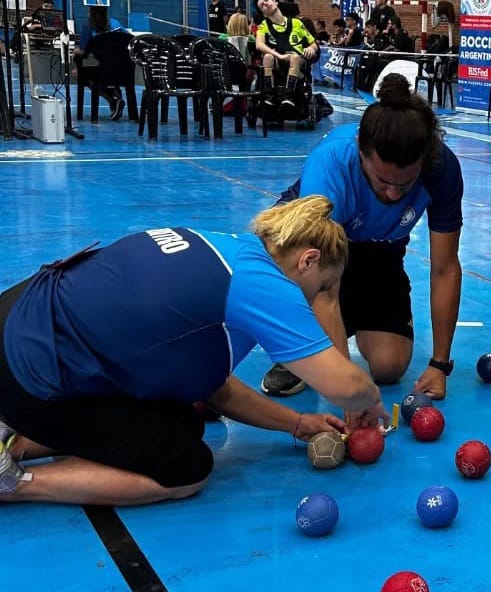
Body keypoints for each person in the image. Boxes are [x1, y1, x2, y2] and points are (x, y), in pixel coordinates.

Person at [0, 197, 388, 505]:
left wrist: (298, 424)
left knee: (183, 423)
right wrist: (370, 399)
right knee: (186, 469)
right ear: (308, 260)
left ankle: (12, 441)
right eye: (323, 287)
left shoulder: (226, 248)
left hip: (19, 318)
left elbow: (213, 387)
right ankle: (13, 483)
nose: (317, 299)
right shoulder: (263, 284)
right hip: (28, 372)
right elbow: (344, 386)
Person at [260, 75, 464, 401]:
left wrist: (440, 365)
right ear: (361, 153)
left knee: (389, 366)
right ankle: (301, 346)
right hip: (309, 249)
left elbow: (445, 269)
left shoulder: (442, 168)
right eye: (383, 180)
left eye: (405, 183)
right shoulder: (332, 162)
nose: (393, 193)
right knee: (280, 260)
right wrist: (349, 394)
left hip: (379, 249)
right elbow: (323, 284)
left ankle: (332, 333)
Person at [254, 0, 319, 111]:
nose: (265, 4)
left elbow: (313, 44)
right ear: (263, 13)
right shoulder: (263, 26)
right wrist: (279, 55)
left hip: (297, 60)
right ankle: (269, 96)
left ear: (275, 2)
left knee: (294, 57)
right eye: (262, 5)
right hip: (277, 60)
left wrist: (311, 48)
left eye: (266, 0)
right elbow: (259, 45)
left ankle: (289, 97)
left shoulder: (296, 23)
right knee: (268, 57)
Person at [74, 6, 125, 119]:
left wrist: (75, 53)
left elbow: (84, 51)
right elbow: (129, 40)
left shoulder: (88, 26)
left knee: (86, 77)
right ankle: (114, 92)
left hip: (100, 71)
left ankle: (112, 99)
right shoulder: (116, 24)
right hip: (122, 72)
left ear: (91, 13)